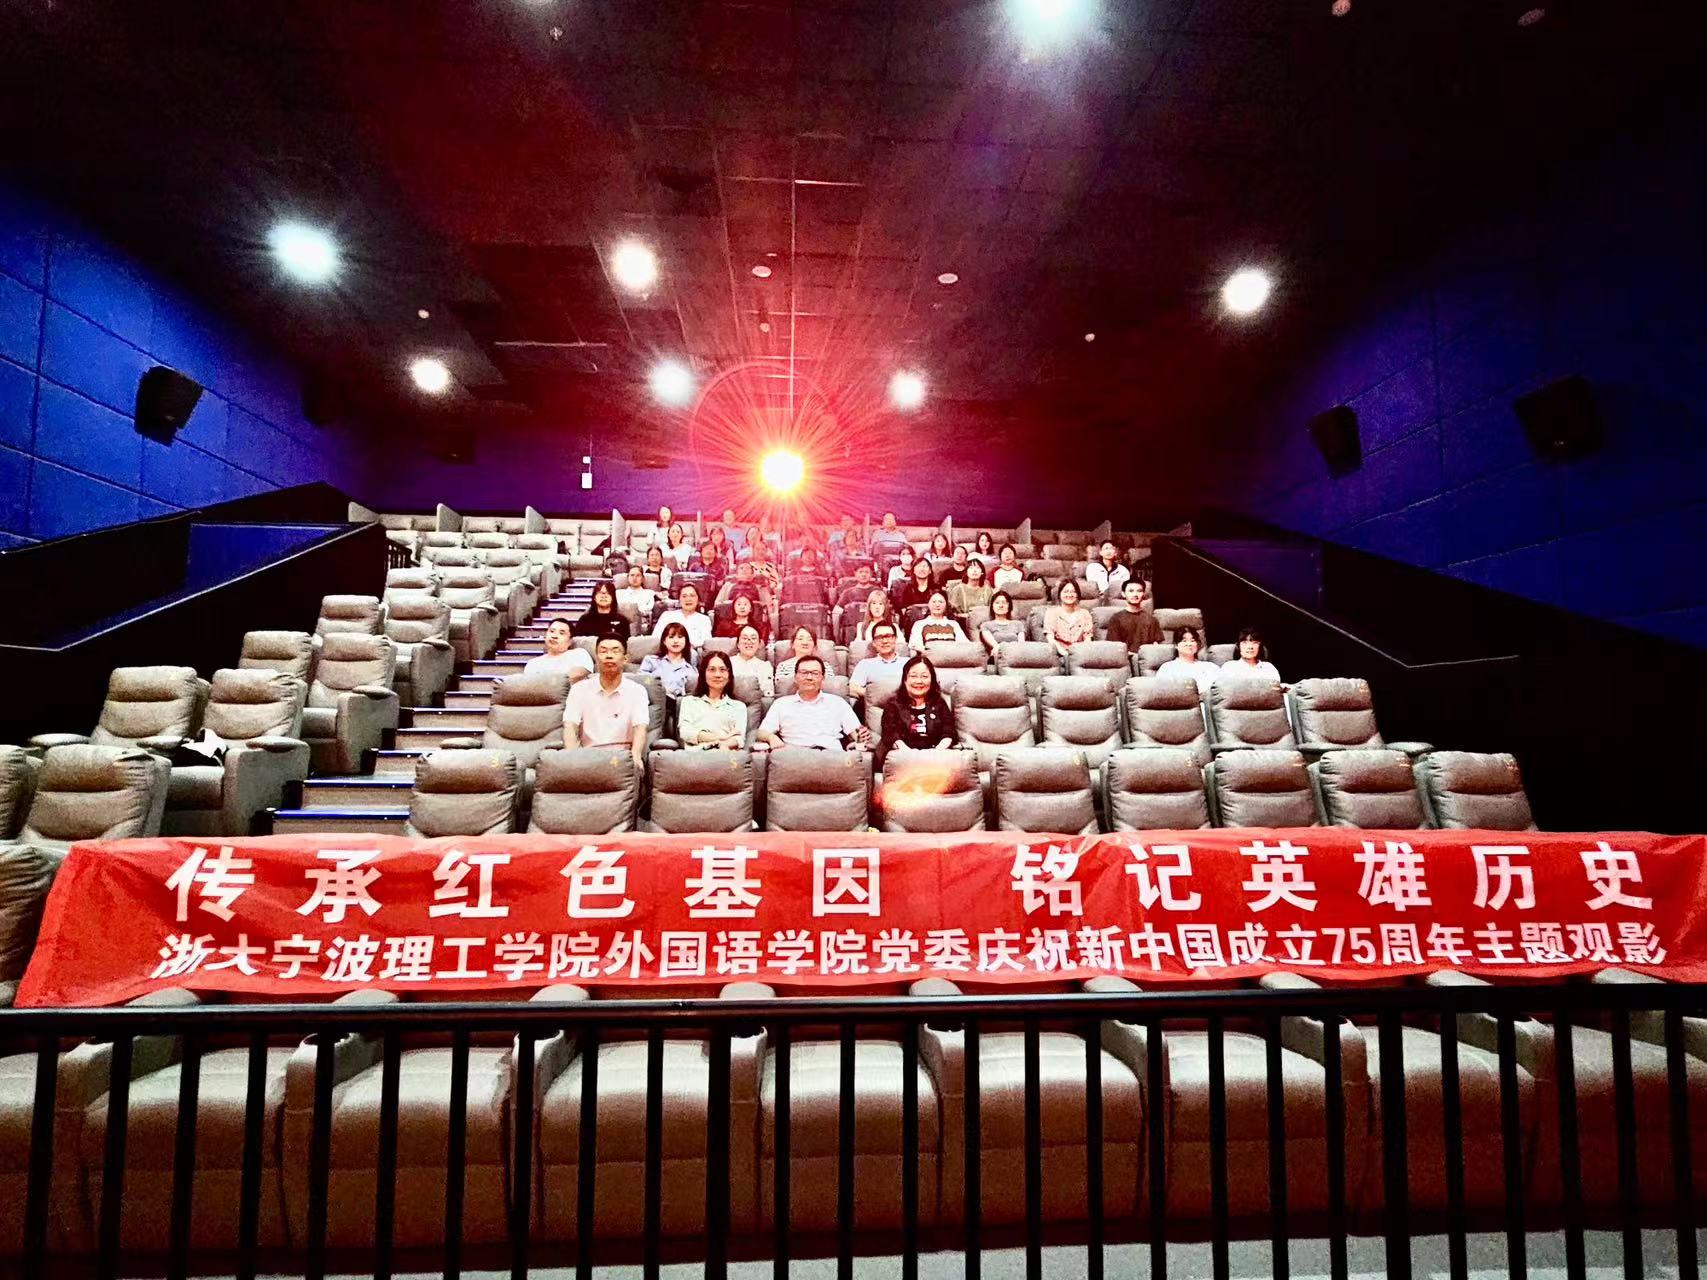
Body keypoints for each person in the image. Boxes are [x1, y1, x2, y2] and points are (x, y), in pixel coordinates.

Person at [563, 635, 649, 765]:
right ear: (596, 658)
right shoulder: (579, 689)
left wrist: (635, 757)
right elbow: (570, 725)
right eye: (603, 651)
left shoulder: (637, 691)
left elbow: (640, 727)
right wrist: (572, 758)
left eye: (615, 651)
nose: (609, 656)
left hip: (622, 759)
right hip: (588, 758)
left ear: (625, 659)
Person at [757, 654, 869, 750]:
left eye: (815, 673)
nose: (809, 677)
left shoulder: (838, 703)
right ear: (795, 677)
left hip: (831, 756)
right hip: (795, 758)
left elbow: (856, 732)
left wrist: (860, 737)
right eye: (804, 673)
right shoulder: (781, 704)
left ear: (823, 678)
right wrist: (771, 737)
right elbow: (761, 732)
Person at [876, 654, 955, 770]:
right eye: (913, 676)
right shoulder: (893, 705)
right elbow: (891, 735)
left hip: (935, 758)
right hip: (903, 759)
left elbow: (948, 732)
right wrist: (912, 757)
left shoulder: (939, 703)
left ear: (932, 680)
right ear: (905, 679)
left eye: (924, 676)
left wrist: (936, 753)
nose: (919, 681)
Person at [676, 650, 746, 750]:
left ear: (729, 675)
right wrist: (722, 737)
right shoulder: (689, 702)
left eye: (722, 670)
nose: (718, 675)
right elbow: (685, 732)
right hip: (695, 755)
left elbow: (739, 739)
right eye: (712, 670)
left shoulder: (738, 706)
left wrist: (722, 744)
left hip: (724, 754)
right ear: (703, 675)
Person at [524, 618, 594, 684]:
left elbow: (579, 674)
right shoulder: (533, 663)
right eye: (552, 631)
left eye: (561, 633)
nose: (554, 636)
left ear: (570, 641)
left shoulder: (578, 654)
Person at [849, 620, 907, 699]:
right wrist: (876, 694)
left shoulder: (908, 663)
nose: (885, 641)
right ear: (873, 643)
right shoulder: (865, 664)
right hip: (875, 703)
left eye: (888, 636)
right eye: (879, 637)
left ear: (895, 639)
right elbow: (852, 687)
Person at [639, 621, 698, 698]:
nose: (676, 641)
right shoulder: (652, 661)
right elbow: (641, 679)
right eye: (671, 637)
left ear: (686, 641)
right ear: (664, 641)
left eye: (680, 637)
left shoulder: (690, 670)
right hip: (653, 698)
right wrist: (654, 682)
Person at [1105, 577, 1163, 652]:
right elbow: (1114, 647)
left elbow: (1156, 646)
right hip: (1124, 657)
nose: (1135, 594)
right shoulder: (1116, 619)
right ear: (1123, 594)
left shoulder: (1152, 620)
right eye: (1131, 591)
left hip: (1145, 657)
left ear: (1143, 594)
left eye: (1139, 591)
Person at [1155, 626, 1218, 692]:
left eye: (1192, 641)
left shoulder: (1210, 666)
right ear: (1176, 645)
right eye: (1184, 641)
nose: (1189, 644)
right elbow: (1161, 691)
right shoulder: (1168, 668)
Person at [651, 582, 714, 648]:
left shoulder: (704, 620)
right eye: (684, 596)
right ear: (679, 600)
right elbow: (656, 639)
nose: (688, 599)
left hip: (692, 651)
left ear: (698, 599)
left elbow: (706, 644)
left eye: (692, 596)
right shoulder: (667, 616)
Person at [1044, 579, 1095, 656]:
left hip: (1080, 654)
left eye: (1073, 592)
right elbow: (1050, 638)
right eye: (1066, 591)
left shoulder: (1085, 614)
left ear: (1077, 594)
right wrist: (1063, 653)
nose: (1069, 595)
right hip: (1058, 654)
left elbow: (1088, 639)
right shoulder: (1051, 613)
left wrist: (1080, 654)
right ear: (1060, 594)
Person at [730, 623, 776, 696]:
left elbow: (768, 693)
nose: (749, 641)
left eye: (753, 638)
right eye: (745, 638)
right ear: (738, 644)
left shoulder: (765, 666)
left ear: (759, 644)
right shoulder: (728, 663)